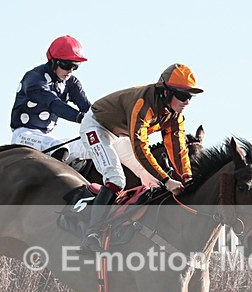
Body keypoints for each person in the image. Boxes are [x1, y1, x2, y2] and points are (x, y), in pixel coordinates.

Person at [79, 63, 203, 252]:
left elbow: (177, 149)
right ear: (166, 92)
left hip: (120, 135)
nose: (187, 102)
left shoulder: (175, 115)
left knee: (152, 180)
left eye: (190, 97)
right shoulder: (143, 104)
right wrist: (167, 179)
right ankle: (92, 233)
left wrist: (187, 177)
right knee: (116, 179)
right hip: (97, 127)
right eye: (183, 96)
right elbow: (140, 147)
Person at [10, 35, 91, 164]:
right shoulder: (34, 78)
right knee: (59, 147)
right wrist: (81, 118)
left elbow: (87, 107)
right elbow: (54, 104)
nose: (70, 71)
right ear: (53, 61)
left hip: (46, 138)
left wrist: (103, 122)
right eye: (66, 65)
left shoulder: (72, 83)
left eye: (75, 66)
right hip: (24, 136)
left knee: (93, 146)